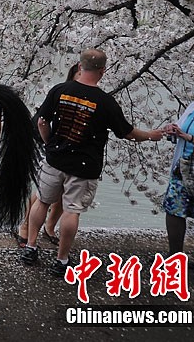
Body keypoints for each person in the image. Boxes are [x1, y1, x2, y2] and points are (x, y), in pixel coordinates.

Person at [20, 48, 165, 276]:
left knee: (42, 202)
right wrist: (151, 135)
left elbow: (42, 122)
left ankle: (30, 247)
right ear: (102, 71)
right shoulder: (105, 102)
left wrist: (50, 144)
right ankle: (62, 260)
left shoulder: (60, 90)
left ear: (80, 66)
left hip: (55, 159)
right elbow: (126, 132)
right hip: (84, 166)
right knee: (71, 212)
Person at [15, 62, 81, 247]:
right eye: (79, 74)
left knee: (67, 189)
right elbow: (43, 120)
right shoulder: (60, 92)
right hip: (48, 142)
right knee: (44, 189)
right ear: (73, 76)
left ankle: (50, 227)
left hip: (73, 148)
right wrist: (51, 144)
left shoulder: (91, 97)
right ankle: (26, 226)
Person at [162, 73, 194, 271]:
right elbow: (182, 127)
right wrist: (173, 129)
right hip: (184, 165)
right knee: (174, 208)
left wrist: (190, 137)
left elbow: (192, 136)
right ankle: (175, 256)